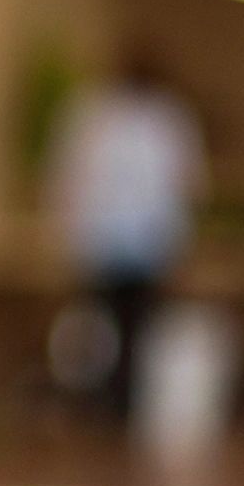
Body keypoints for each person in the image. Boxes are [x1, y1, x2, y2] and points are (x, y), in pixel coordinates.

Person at [45, 48, 207, 420]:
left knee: (133, 332)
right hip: (101, 243)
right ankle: (98, 403)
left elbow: (184, 186)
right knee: (99, 331)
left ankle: (123, 405)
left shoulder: (163, 118)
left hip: (144, 246)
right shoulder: (94, 115)